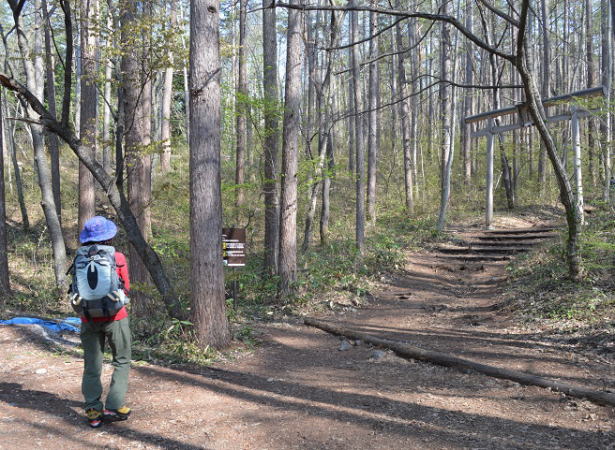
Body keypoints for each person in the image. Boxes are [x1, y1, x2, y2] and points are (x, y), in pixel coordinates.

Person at [74, 216, 132, 428]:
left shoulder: (79, 258)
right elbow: (126, 287)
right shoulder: (117, 257)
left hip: (87, 318)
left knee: (92, 365)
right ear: (109, 236)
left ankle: (92, 410)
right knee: (122, 360)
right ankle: (114, 406)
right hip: (116, 317)